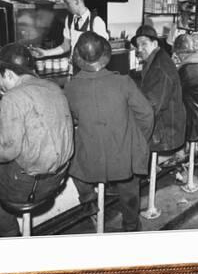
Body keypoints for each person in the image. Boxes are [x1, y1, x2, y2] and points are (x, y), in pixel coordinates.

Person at [0, 43, 74, 237]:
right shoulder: (53, 86)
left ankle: (10, 236)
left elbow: (8, 152)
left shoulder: (13, 97)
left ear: (9, 74)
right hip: (60, 175)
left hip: (34, 185)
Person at [64, 32, 154, 231]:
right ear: (105, 54)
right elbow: (147, 115)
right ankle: (130, 225)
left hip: (90, 162)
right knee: (129, 185)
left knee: (71, 160)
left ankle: (89, 201)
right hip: (122, 159)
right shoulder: (123, 82)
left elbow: (68, 123)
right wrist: (137, 140)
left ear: (78, 57)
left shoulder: (70, 88)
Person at [131, 25, 186, 153]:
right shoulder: (157, 58)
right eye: (137, 45)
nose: (139, 49)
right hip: (168, 123)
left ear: (155, 43)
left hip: (166, 131)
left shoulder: (159, 68)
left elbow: (151, 107)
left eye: (144, 44)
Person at [29, 0, 109, 61]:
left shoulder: (96, 22)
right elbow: (66, 46)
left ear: (76, 1)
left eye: (67, 3)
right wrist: (45, 53)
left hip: (91, 70)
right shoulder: (69, 20)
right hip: (74, 68)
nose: (66, 6)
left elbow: (104, 51)